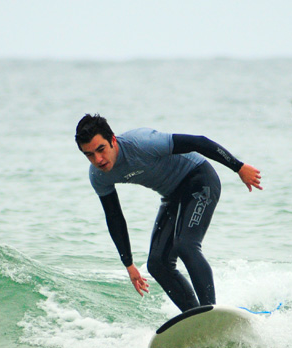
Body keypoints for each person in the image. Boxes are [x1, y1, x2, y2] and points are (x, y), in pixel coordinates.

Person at [75, 114, 262, 313]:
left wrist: (239, 167)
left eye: (101, 149)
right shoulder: (98, 176)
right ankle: (194, 317)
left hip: (199, 179)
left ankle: (210, 312)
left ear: (112, 140)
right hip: (173, 195)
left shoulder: (143, 143)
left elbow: (199, 142)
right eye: (89, 155)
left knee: (186, 245)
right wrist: (128, 264)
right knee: (157, 264)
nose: (98, 160)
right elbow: (114, 216)